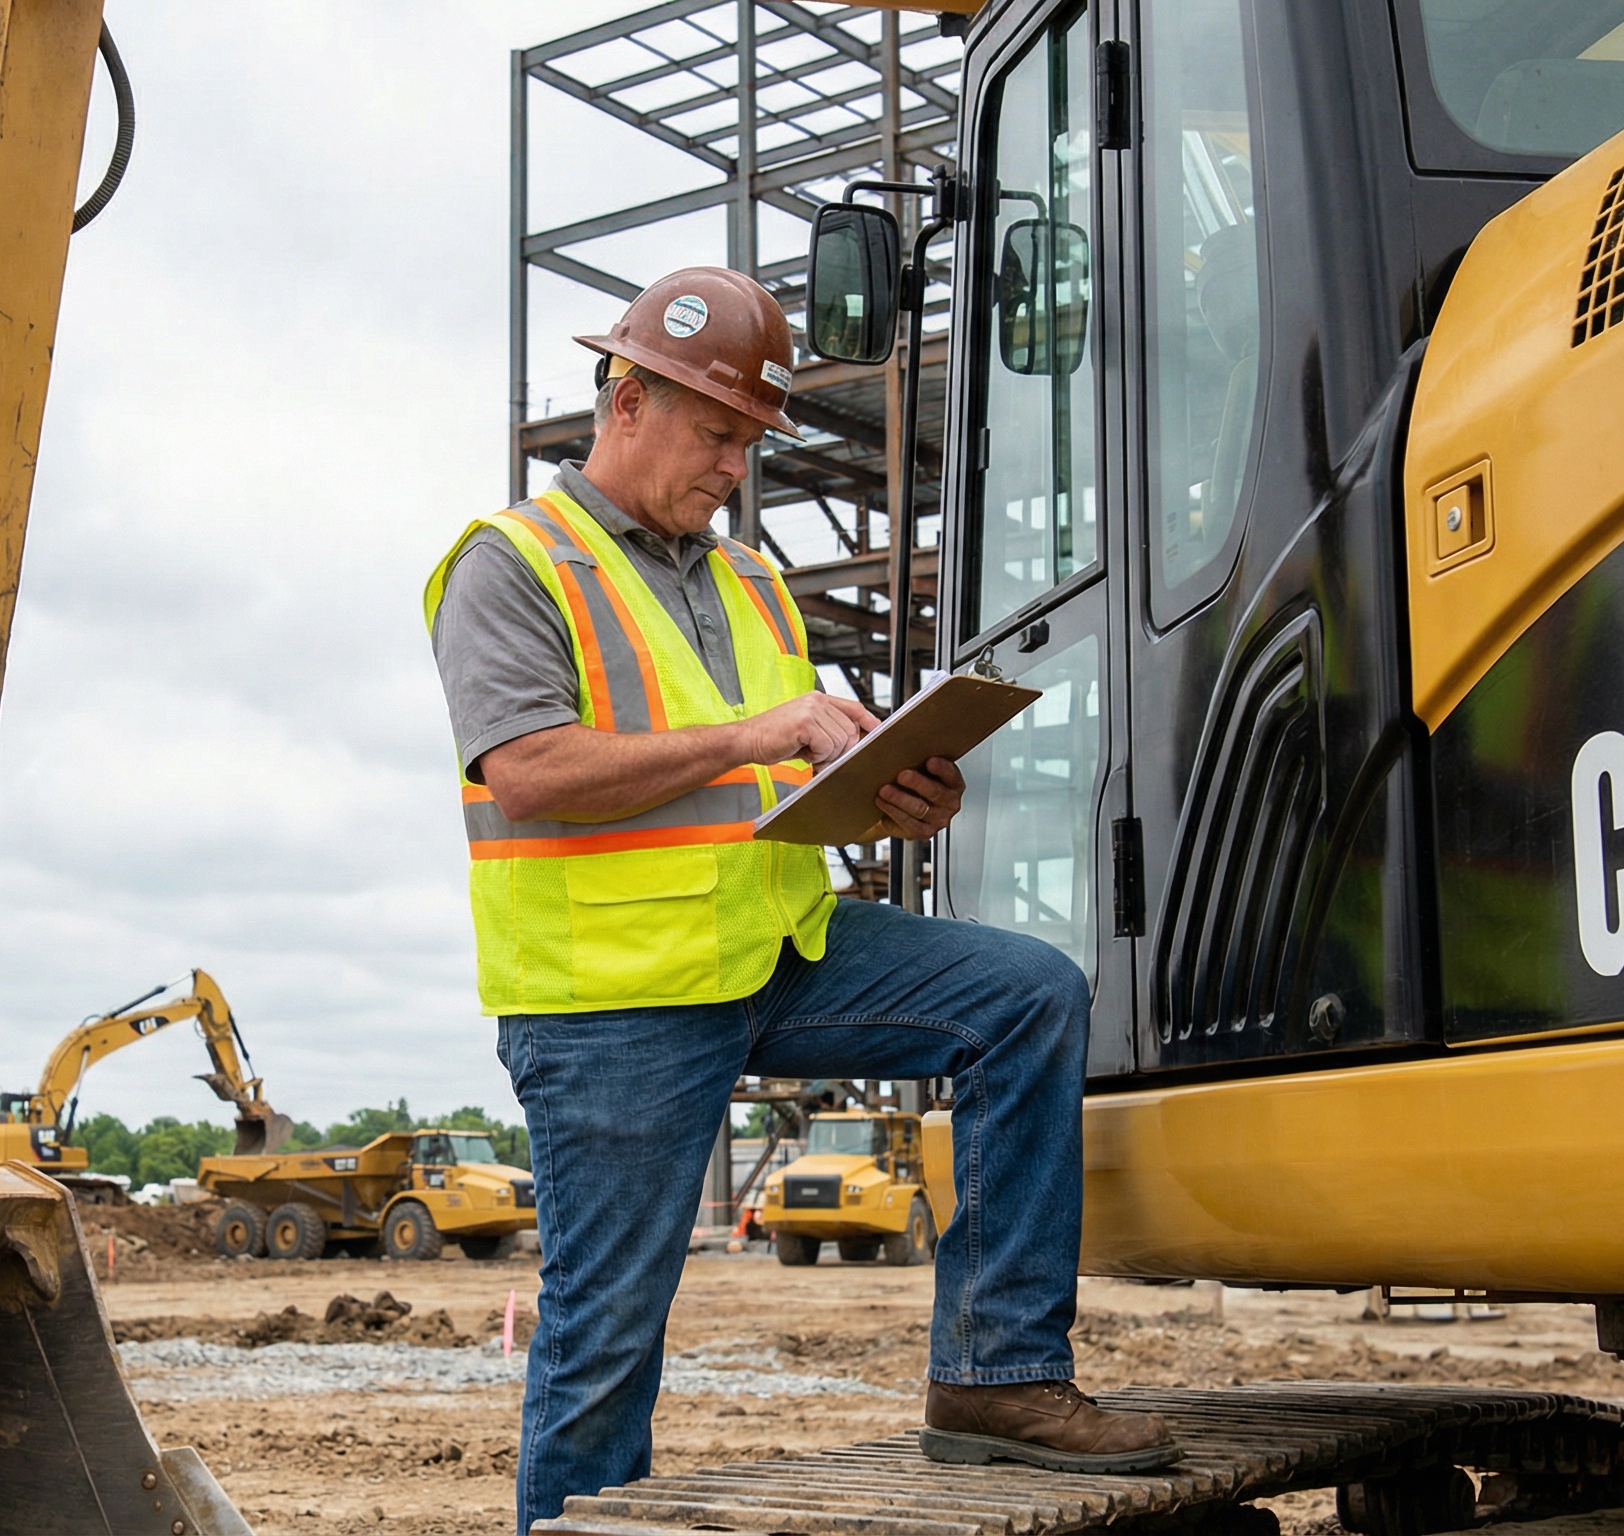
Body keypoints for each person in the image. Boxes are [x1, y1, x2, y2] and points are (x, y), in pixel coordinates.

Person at [423, 268, 1180, 1532]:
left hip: (779, 948)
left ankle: (995, 1379)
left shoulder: (749, 581)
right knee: (604, 1344)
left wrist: (897, 793)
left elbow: (777, 768)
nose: (734, 463)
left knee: (1025, 996)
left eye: (749, 441)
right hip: (612, 999)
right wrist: (756, 732)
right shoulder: (513, 565)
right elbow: (530, 770)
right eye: (716, 432)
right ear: (624, 400)